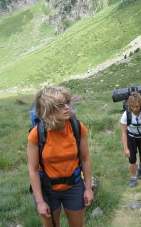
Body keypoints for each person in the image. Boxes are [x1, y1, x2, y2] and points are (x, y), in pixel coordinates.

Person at [27, 86, 93, 227]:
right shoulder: (36, 134)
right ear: (47, 109)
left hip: (74, 186)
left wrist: (88, 188)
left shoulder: (77, 127)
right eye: (60, 105)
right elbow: (32, 170)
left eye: (67, 102)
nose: (67, 107)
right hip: (47, 190)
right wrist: (40, 202)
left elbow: (86, 159)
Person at [120, 92, 141, 187]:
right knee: (131, 160)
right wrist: (126, 149)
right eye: (132, 107)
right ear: (129, 105)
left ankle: (139, 167)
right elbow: (123, 133)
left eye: (137, 106)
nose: (135, 109)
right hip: (131, 138)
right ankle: (133, 178)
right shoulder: (126, 114)